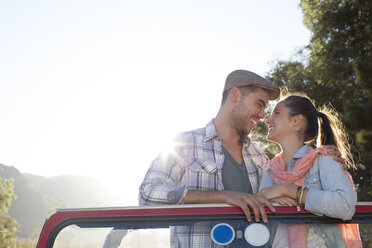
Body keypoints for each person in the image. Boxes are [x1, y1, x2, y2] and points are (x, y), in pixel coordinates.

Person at [139, 69, 279, 247]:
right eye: (259, 105)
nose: (262, 115)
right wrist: (222, 196)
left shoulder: (259, 156)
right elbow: (147, 194)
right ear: (235, 95)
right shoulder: (185, 143)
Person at [257, 93, 362, 247]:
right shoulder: (269, 170)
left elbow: (345, 206)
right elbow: (259, 207)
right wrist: (271, 197)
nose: (268, 120)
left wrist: (289, 190)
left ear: (296, 120)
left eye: (277, 113)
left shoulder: (323, 160)